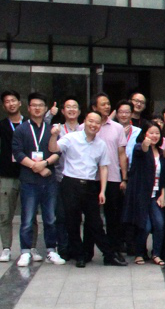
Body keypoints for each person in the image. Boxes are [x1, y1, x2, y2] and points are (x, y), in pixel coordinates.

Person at [48, 111, 125, 267]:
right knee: (72, 222)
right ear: (84, 121)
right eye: (90, 121)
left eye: (97, 122)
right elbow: (53, 148)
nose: (93, 125)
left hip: (90, 185)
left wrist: (102, 190)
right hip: (70, 183)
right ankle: (79, 255)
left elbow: (103, 168)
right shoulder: (71, 138)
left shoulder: (101, 144)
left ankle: (109, 255)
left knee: (95, 222)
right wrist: (54, 135)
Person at [11, 93, 65, 266]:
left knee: (50, 218)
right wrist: (36, 167)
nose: (37, 108)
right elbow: (18, 153)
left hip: (49, 182)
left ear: (45, 108)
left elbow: (57, 152)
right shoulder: (21, 129)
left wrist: (44, 164)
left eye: (40, 105)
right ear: (28, 108)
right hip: (29, 180)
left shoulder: (52, 129)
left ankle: (51, 250)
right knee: (27, 219)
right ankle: (25, 251)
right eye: (34, 105)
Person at [89, 93, 130, 257]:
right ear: (94, 107)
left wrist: (124, 177)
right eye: (103, 104)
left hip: (113, 176)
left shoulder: (117, 128)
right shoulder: (85, 127)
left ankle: (113, 251)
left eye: (108, 104)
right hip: (91, 177)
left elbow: (122, 154)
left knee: (113, 217)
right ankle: (86, 252)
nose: (107, 107)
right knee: (91, 218)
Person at [124, 122, 165, 266]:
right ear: (145, 134)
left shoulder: (161, 152)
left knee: (159, 223)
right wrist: (145, 144)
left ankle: (156, 253)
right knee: (145, 225)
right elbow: (141, 149)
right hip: (141, 195)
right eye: (151, 133)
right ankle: (139, 253)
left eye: (157, 133)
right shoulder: (139, 147)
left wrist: (163, 194)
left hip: (156, 194)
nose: (154, 136)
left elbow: (164, 175)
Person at [0, 90, 24, 263]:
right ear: (4, 106)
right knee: (5, 214)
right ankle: (6, 248)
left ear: (19, 102)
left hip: (28, 174)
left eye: (13, 100)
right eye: (7, 101)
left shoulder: (28, 124)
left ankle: (30, 248)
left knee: (30, 214)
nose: (11, 103)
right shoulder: (3, 124)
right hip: (7, 176)